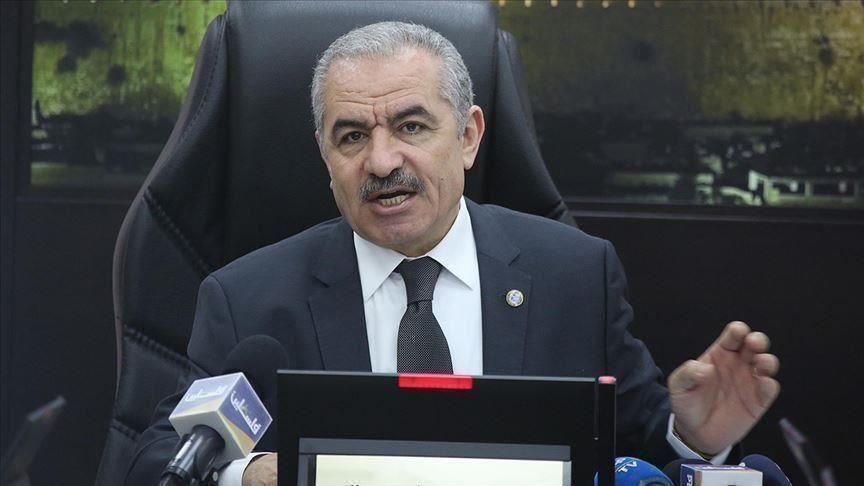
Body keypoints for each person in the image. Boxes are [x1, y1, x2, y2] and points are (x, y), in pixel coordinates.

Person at [126, 21, 780, 486]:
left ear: (467, 136)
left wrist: (696, 437)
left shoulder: (574, 276)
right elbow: (158, 460)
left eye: (411, 126)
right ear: (326, 159)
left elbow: (637, 446)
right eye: (351, 137)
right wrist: (247, 475)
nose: (382, 160)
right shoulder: (249, 301)